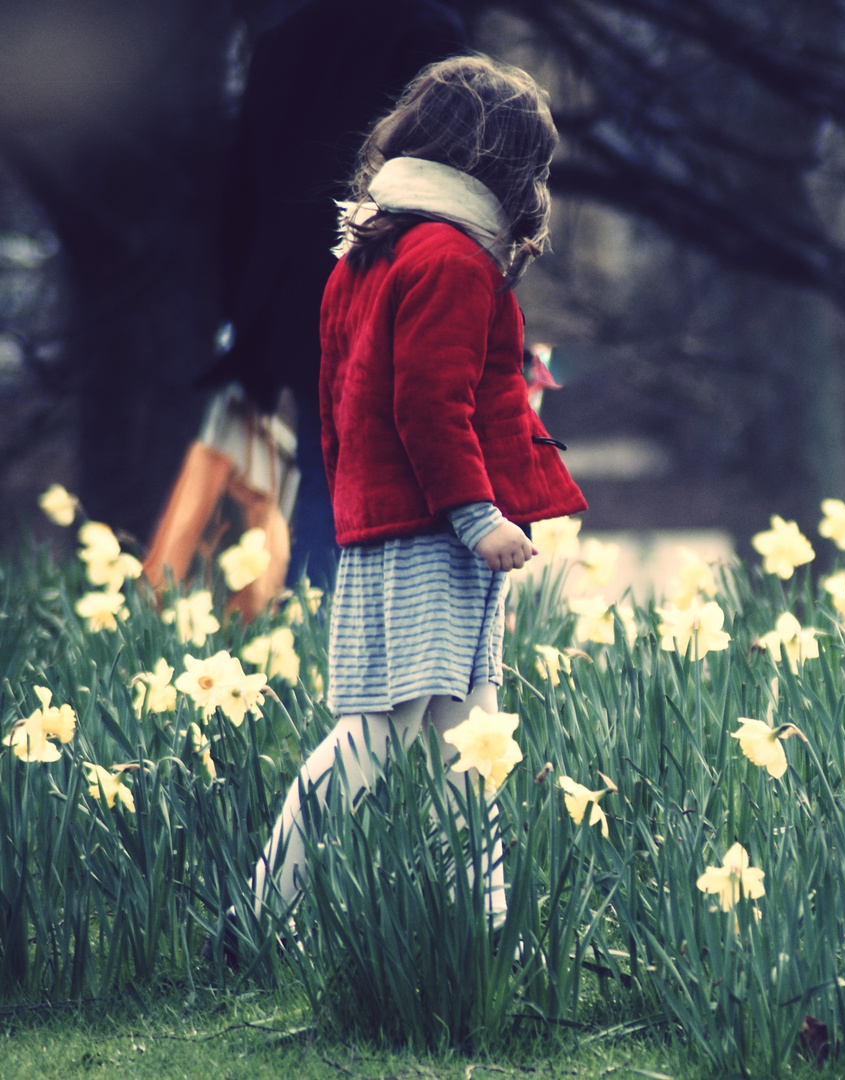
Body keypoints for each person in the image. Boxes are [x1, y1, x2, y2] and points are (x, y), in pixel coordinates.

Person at [251, 55, 587, 930]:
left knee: (466, 742)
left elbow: (345, 408)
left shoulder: (375, 251)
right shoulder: (448, 260)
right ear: (503, 167)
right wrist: (476, 518)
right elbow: (425, 407)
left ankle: (478, 932)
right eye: (536, 168)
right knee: (384, 734)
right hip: (432, 535)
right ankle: (260, 916)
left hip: (396, 527)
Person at [207, 0, 468, 590]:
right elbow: (449, 174)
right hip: (387, 285)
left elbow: (240, 185)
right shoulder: (424, 31)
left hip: (295, 299)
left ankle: (309, 642)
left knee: (329, 472)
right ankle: (336, 649)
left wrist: (241, 310)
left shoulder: (285, 39)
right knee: (379, 479)